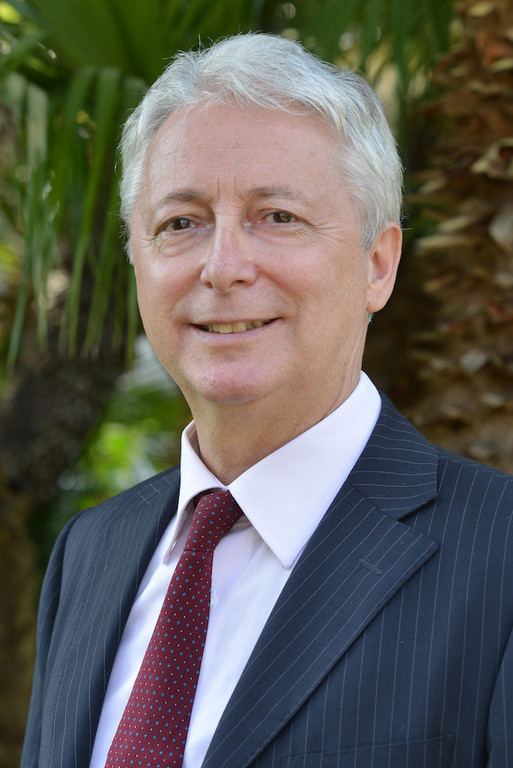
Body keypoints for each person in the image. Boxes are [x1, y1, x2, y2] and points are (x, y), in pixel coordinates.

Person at [22, 33, 513, 768]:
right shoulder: (90, 552)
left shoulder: (499, 555)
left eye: (277, 216)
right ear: (136, 261)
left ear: (377, 265)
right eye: (180, 223)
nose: (223, 267)